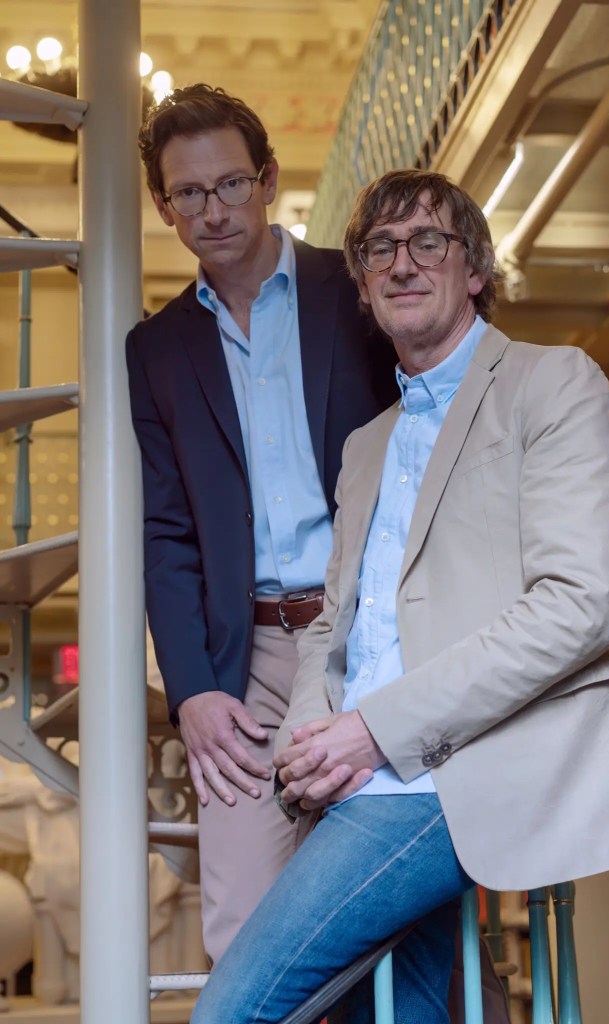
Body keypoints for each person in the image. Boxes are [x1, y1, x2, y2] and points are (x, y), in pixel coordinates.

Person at [190, 167, 609, 1024]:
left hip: (457, 767)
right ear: (364, 287)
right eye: (380, 249)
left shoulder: (554, 383)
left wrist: (375, 731)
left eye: (428, 242)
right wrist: (305, 742)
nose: (402, 262)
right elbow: (333, 623)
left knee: (233, 1009)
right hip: (357, 777)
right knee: (398, 1016)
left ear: (474, 268)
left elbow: (577, 604)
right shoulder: (366, 446)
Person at [125, 84, 397, 964]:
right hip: (244, 670)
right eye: (189, 194)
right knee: (243, 936)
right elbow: (166, 531)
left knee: (383, 920)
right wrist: (193, 689)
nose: (214, 210)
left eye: (232, 184)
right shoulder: (157, 348)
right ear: (164, 208)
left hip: (366, 641)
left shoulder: (355, 293)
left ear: (270, 178)